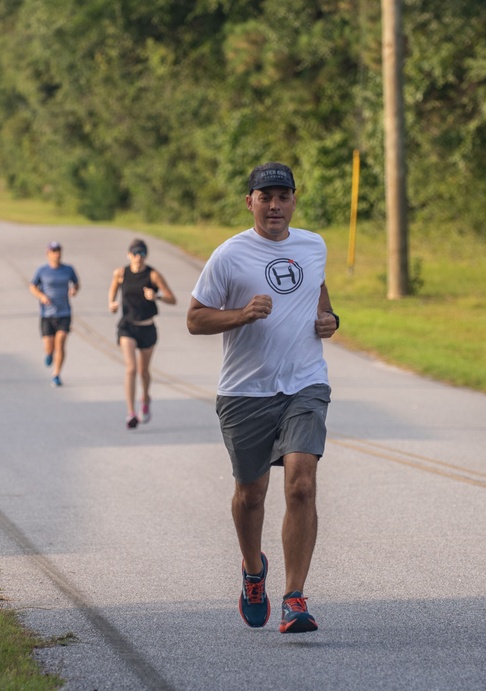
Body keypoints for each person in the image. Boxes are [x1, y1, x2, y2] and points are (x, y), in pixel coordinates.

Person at [187, 162, 339, 634]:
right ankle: (254, 571)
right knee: (251, 495)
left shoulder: (313, 245)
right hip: (245, 391)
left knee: (301, 483)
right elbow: (194, 319)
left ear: (294, 199)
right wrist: (240, 314)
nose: (274, 206)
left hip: (304, 383)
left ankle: (295, 598)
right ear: (249, 201)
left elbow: (319, 295)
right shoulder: (230, 255)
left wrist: (330, 319)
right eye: (265, 197)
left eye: (283, 196)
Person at [108, 239, 177, 428]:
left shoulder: (153, 275)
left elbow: (173, 299)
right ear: (128, 254)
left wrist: (157, 296)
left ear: (146, 255)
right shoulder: (121, 273)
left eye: (142, 253)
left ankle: (145, 398)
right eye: (135, 253)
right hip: (127, 327)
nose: (138, 257)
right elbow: (113, 290)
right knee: (131, 368)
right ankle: (131, 413)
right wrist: (112, 304)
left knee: (143, 371)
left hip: (147, 328)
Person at [30, 241, 80, 387]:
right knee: (49, 346)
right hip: (47, 314)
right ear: (48, 254)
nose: (56, 254)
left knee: (61, 343)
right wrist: (41, 296)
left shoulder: (68, 269)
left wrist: (74, 290)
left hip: (64, 312)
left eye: (58, 251)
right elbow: (32, 286)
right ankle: (49, 353)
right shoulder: (42, 270)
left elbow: (76, 283)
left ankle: (56, 374)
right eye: (53, 251)